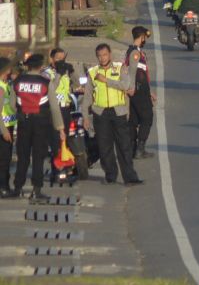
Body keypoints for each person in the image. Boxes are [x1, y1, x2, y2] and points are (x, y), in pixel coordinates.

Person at [80, 45, 141, 185]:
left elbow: (126, 85)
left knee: (124, 146)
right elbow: (88, 96)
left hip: (118, 111)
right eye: (99, 56)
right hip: (100, 113)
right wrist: (85, 117)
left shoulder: (120, 68)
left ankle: (130, 177)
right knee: (104, 146)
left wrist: (107, 81)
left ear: (110, 54)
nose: (102, 58)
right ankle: (110, 175)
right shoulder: (93, 72)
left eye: (105, 55)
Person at [8, 55, 66, 202]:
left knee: (23, 156)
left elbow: (12, 105)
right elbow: (54, 107)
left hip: (23, 122)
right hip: (41, 123)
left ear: (27, 66)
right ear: (40, 66)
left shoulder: (17, 82)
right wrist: (60, 128)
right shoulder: (46, 83)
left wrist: (21, 114)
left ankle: (17, 188)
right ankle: (36, 190)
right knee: (38, 157)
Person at [125, 26, 155, 159]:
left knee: (134, 118)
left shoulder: (135, 51)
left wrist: (149, 91)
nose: (145, 40)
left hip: (140, 88)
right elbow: (132, 71)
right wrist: (132, 88)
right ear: (141, 37)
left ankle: (133, 148)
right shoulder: (135, 53)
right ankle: (140, 148)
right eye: (145, 38)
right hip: (138, 89)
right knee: (147, 117)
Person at [0, 58, 17, 197]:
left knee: (5, 159)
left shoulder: (7, 85)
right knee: (4, 160)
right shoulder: (1, 88)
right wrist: (5, 131)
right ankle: (4, 188)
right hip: (3, 129)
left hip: (8, 126)